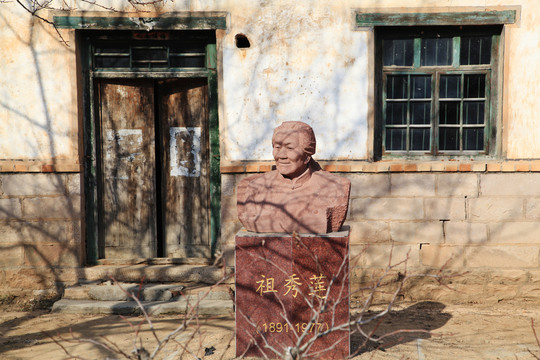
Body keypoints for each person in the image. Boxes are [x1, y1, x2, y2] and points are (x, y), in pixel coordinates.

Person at [237, 121, 351, 234]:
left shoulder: (335, 186)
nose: (281, 155)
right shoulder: (254, 187)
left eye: (290, 148)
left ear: (307, 156)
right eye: (277, 147)